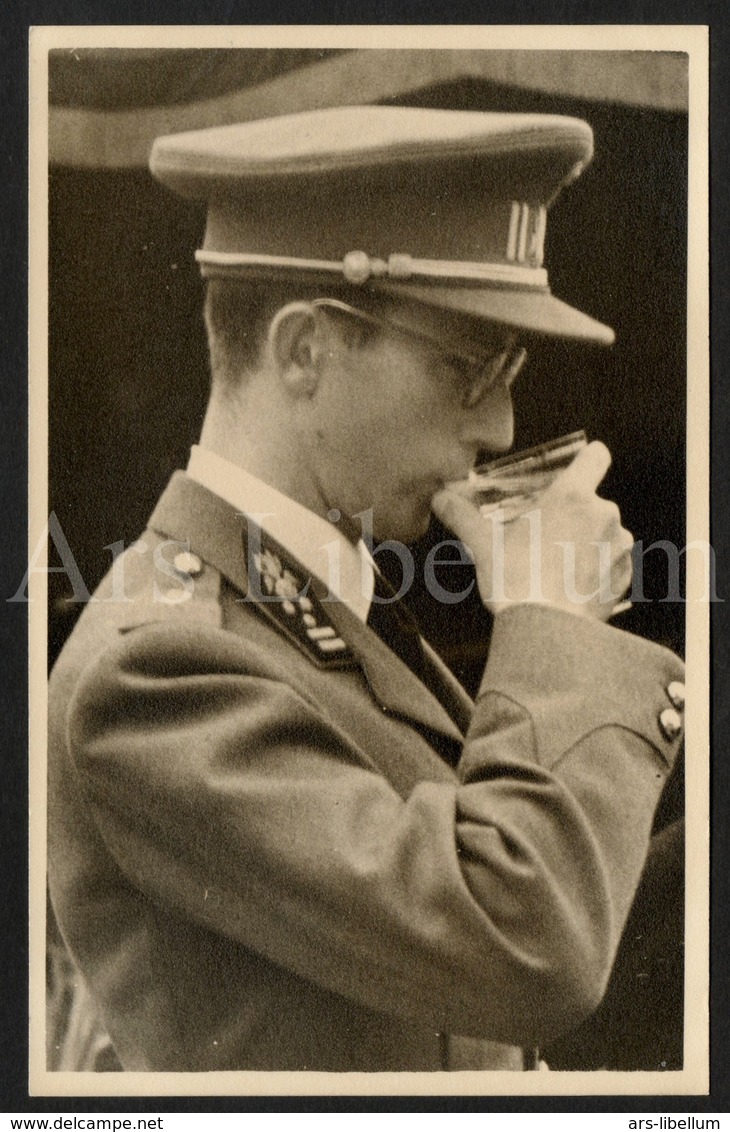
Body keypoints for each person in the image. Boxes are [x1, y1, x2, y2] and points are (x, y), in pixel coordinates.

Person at [47, 105, 685, 1073]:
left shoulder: (320, 613)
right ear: (305, 351)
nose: (502, 426)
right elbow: (521, 947)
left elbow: (541, 903)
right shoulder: (156, 674)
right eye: (470, 367)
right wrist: (552, 624)